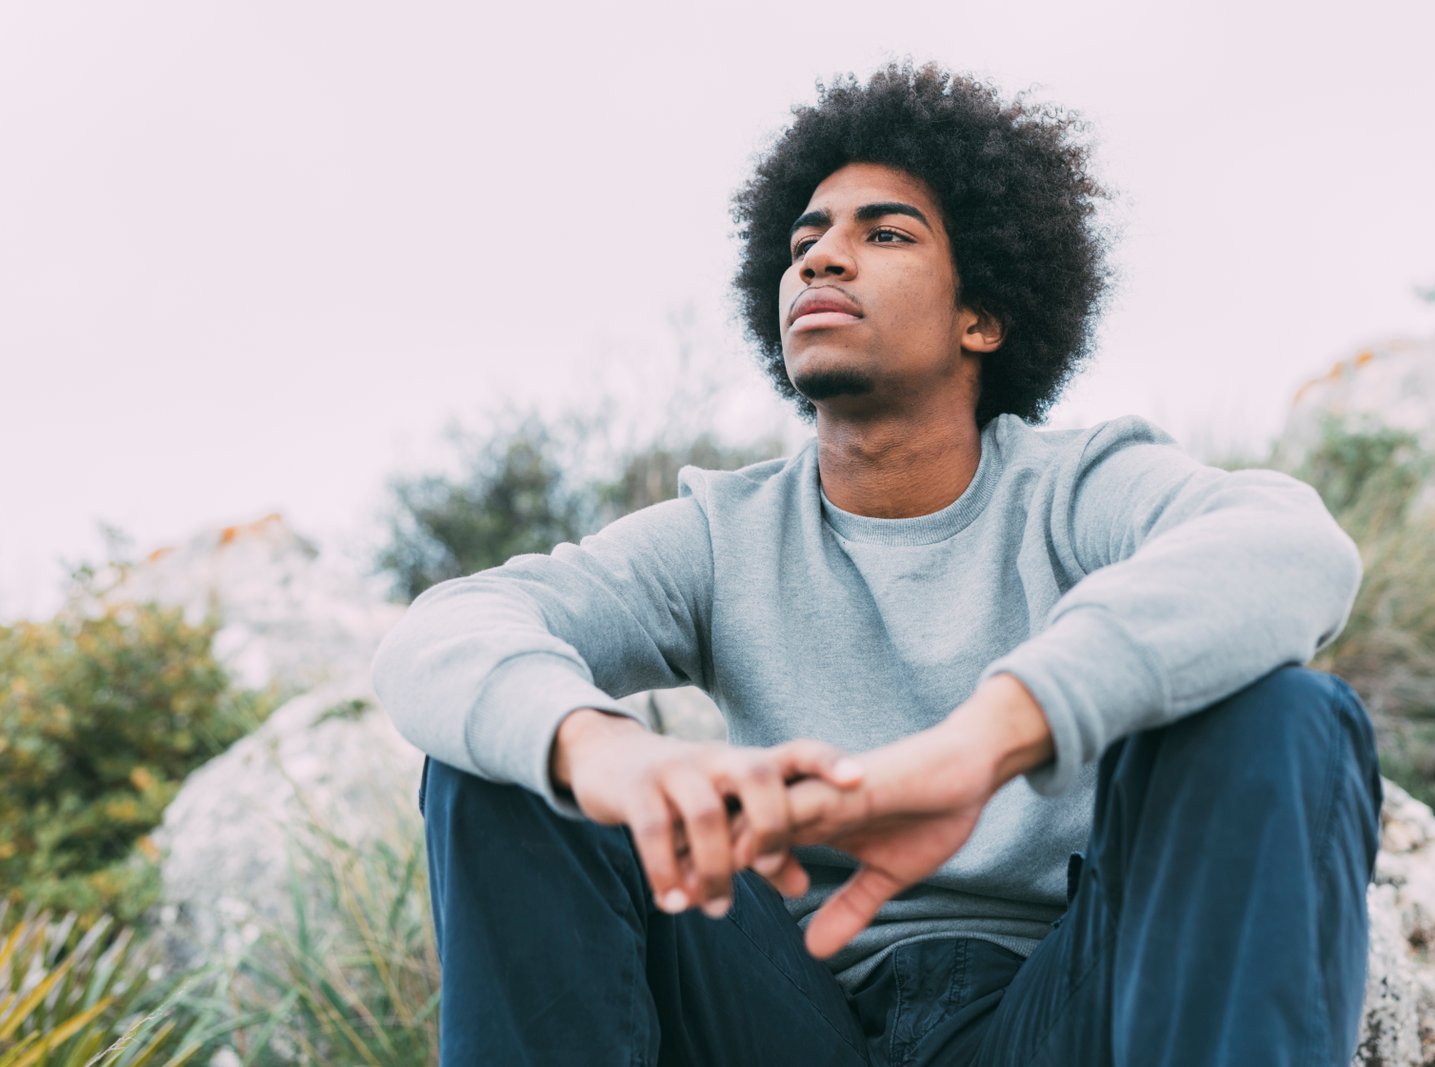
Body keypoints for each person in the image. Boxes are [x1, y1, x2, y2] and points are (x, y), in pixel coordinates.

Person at [370, 60, 1383, 1067]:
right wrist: (607, 753)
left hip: (1048, 1013)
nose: (822, 259)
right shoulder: (724, 533)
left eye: (883, 233)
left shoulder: (1075, 488)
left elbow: (1287, 546)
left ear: (979, 317)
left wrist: (979, 744)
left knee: (1284, 711)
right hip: (781, 1010)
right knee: (509, 757)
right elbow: (452, 628)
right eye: (804, 241)